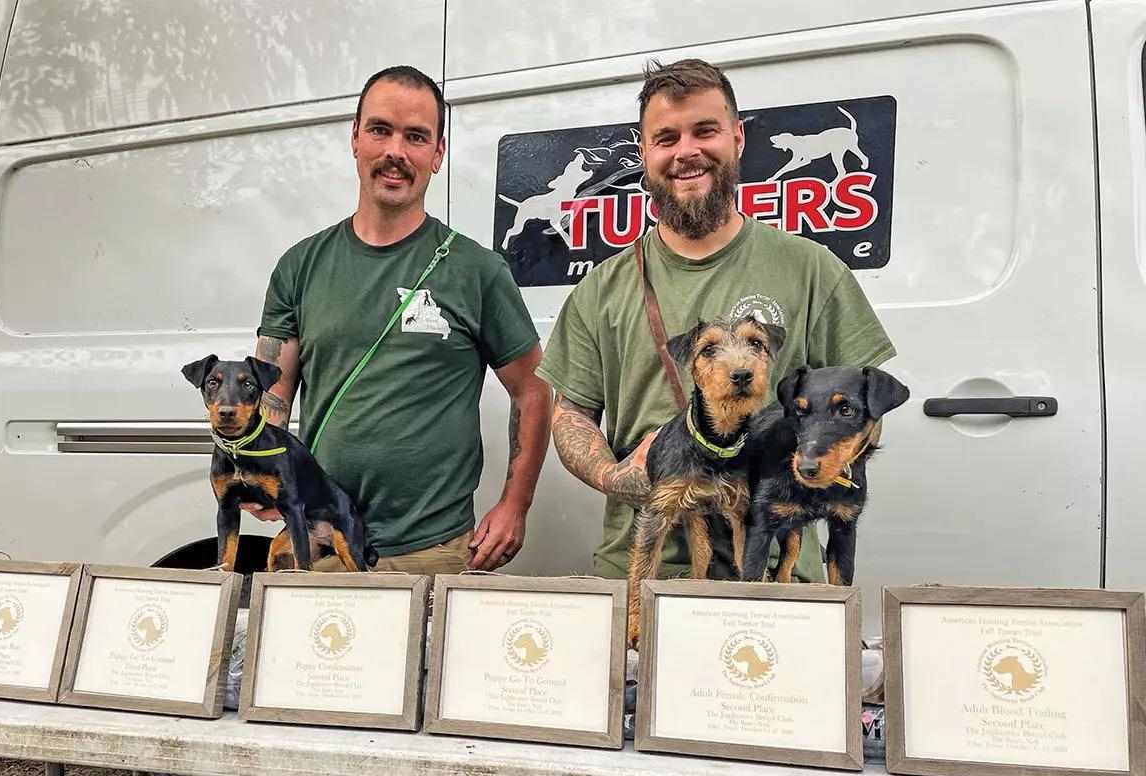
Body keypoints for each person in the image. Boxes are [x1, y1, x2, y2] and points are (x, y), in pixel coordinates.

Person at [537, 58, 895, 582]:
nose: (687, 151)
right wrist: (618, 477)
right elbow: (569, 416)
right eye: (666, 137)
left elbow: (867, 409)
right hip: (641, 572)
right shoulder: (601, 289)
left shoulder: (812, 269)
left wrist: (806, 467)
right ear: (644, 153)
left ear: (737, 138)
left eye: (705, 131)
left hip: (776, 574)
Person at [248, 65, 551, 575]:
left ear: (437, 154)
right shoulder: (301, 266)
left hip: (433, 552)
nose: (395, 151)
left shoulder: (475, 270)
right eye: (380, 130)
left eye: (416, 137)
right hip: (321, 541)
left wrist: (514, 506)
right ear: (355, 138)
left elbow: (534, 389)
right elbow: (271, 391)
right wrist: (259, 464)